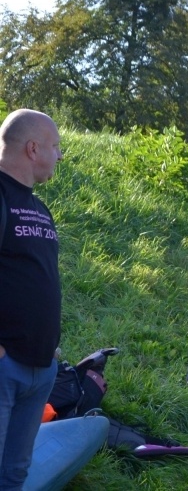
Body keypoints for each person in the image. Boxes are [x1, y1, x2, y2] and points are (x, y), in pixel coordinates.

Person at [0, 109, 63, 489]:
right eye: (55, 147)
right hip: (5, 369)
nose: (59, 155)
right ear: (33, 148)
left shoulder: (40, 208)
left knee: (15, 474)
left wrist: (50, 347)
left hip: (41, 368)